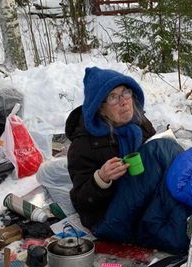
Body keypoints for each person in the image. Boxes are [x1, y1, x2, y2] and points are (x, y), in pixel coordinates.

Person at [37, 67, 156, 227]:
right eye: (113, 97)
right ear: (100, 108)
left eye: (126, 92)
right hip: (113, 217)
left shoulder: (139, 123)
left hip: (145, 200)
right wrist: (101, 178)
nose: (123, 101)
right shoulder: (83, 145)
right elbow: (82, 203)